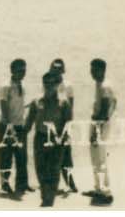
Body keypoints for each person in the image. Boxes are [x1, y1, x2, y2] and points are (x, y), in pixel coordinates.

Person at [28, 70, 69, 207]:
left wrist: (63, 141)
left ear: (57, 84)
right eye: (45, 83)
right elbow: (28, 123)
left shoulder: (63, 102)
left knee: (54, 170)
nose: (48, 86)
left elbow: (68, 123)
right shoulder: (36, 102)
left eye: (51, 83)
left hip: (57, 139)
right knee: (40, 170)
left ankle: (49, 200)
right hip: (40, 138)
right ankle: (45, 196)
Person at [0, 59, 31, 197]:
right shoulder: (5, 86)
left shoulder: (22, 86)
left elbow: (20, 106)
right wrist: (9, 126)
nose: (22, 73)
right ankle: (4, 185)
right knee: (6, 156)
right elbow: (3, 106)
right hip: (7, 125)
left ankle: (22, 185)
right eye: (19, 70)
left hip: (20, 125)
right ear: (12, 70)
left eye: (24, 70)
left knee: (22, 157)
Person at [86, 58, 117, 206]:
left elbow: (104, 111)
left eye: (95, 70)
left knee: (100, 159)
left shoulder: (105, 86)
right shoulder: (100, 84)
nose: (92, 72)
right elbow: (115, 102)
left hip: (101, 124)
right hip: (98, 122)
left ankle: (106, 193)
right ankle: (98, 189)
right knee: (95, 158)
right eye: (91, 69)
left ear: (102, 70)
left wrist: (96, 131)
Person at [49, 59, 79, 194]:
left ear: (62, 70)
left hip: (64, 124)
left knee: (66, 155)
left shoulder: (68, 86)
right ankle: (52, 184)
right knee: (51, 155)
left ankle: (70, 182)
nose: (56, 71)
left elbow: (71, 107)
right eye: (54, 68)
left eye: (58, 68)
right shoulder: (48, 85)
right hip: (51, 125)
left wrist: (68, 125)